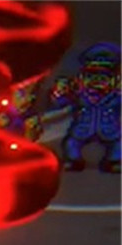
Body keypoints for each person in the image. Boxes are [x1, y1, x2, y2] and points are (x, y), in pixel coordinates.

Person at [50, 42, 120, 173]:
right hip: (82, 129)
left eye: (103, 77)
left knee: (118, 144)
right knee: (71, 143)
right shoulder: (79, 94)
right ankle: (74, 160)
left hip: (110, 130)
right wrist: (59, 94)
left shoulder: (114, 96)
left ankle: (114, 161)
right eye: (92, 76)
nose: (97, 80)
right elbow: (61, 103)